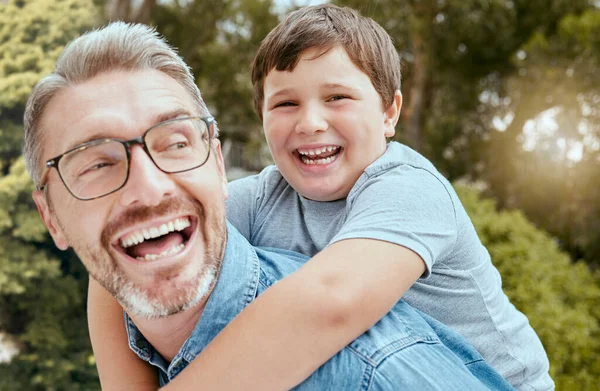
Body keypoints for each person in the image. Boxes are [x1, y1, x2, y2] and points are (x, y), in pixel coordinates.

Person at [23, 20, 516, 391]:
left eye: (338, 97)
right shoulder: (262, 195)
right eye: (285, 104)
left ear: (390, 113)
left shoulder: (410, 188)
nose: (311, 123)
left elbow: (330, 301)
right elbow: (120, 259)